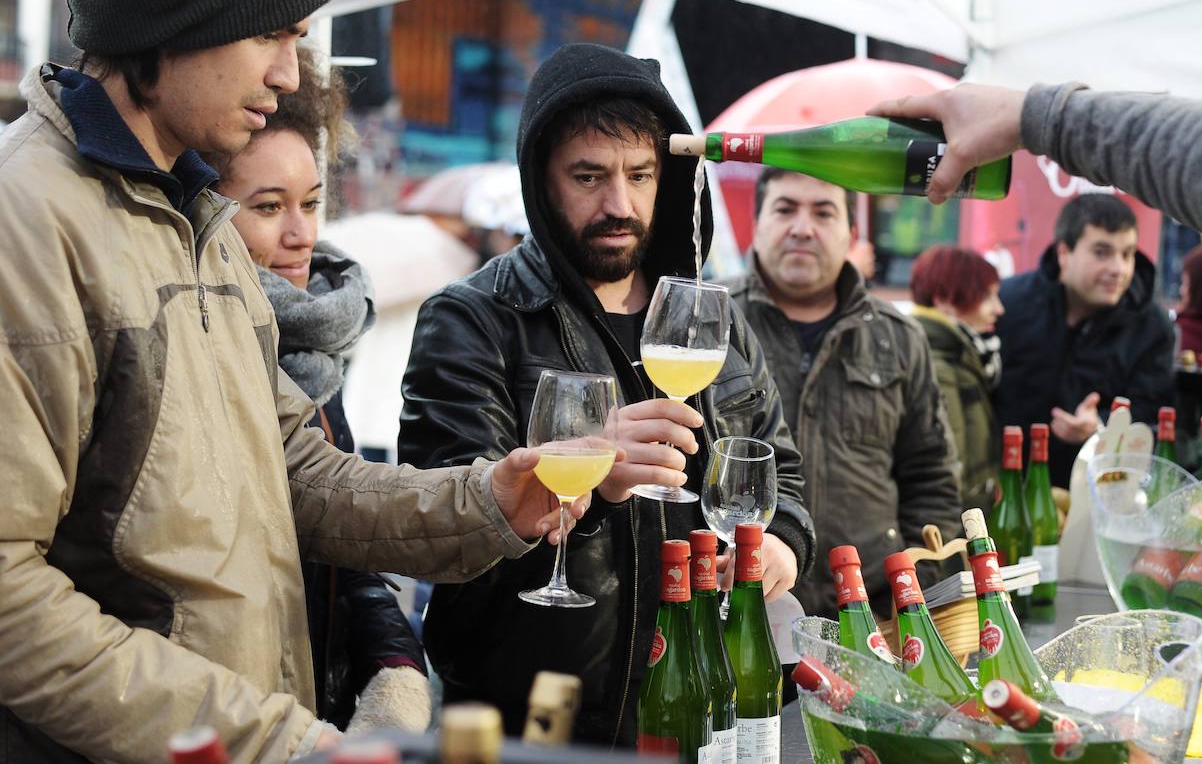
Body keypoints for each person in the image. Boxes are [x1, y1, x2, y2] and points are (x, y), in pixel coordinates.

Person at [0, 0, 588, 762]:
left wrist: (491, 500)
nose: (289, 72)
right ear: (175, 19)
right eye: (272, 33)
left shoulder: (193, 212)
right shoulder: (29, 219)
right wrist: (274, 740)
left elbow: (302, 473)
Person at [866, 0, 1202, 761]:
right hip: (1019, 529)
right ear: (1063, 252)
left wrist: (1112, 439)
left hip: (1098, 528)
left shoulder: (1148, 327)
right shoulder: (1018, 303)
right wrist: (1042, 118)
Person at [398, 43, 816, 745]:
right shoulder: (476, 320)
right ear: (541, 181)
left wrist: (780, 546)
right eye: (588, 176)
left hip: (700, 706)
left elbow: (784, 475)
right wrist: (584, 492)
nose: (618, 204)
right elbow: (444, 537)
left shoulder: (710, 319)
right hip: (545, 721)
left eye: (641, 175)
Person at [203, 44, 430, 733]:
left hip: (319, 716)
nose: (302, 235)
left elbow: (340, 543)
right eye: (269, 207)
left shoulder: (315, 347)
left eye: (311, 202)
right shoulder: (200, 345)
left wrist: (394, 670)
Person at [727, 168, 961, 617]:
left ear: (851, 232)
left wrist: (911, 596)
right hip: (733, 616)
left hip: (868, 617)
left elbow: (932, 482)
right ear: (756, 224)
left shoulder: (900, 337)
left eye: (823, 212)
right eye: (785, 209)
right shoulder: (711, 324)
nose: (802, 227)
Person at [992, 193, 1175, 486]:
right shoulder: (1007, 305)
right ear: (1064, 254)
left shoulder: (1152, 328)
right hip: (1001, 487)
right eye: (1102, 252)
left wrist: (1101, 426)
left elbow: (1152, 414)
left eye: (1127, 254)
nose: (1119, 268)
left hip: (1095, 497)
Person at [908, 244, 1005, 515]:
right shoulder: (938, 364)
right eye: (987, 297)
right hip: (960, 531)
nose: (999, 309)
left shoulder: (959, 356)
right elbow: (950, 474)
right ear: (944, 300)